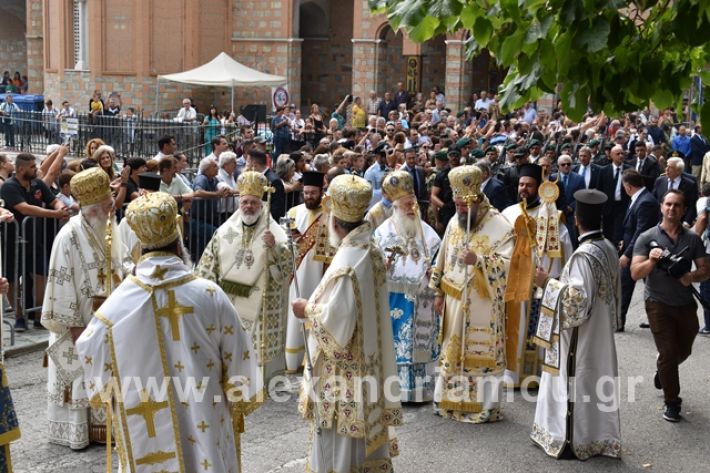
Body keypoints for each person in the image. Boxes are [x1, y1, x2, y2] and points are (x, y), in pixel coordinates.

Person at [76, 192, 263, 472]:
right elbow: (239, 359)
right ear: (179, 242)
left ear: (140, 246)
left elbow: (88, 349)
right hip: (205, 413)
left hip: (144, 417)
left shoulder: (116, 305)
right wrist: (238, 392)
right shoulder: (209, 294)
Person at [291, 174, 401, 472]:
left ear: (336, 223)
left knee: (340, 446)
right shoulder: (371, 248)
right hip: (370, 365)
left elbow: (337, 327)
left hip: (344, 376)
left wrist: (307, 309)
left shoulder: (347, 261)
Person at [531, 189, 622, 460]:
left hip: (581, 336)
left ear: (576, 220)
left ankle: (572, 440)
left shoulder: (584, 255)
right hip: (600, 331)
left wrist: (547, 282)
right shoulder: (607, 247)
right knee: (595, 381)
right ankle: (594, 437)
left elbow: (577, 304)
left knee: (578, 383)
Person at [40, 168, 124, 449]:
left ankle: (105, 428)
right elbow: (60, 284)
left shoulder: (108, 228)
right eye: (107, 206)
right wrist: (76, 327)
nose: (112, 209)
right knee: (78, 377)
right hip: (79, 323)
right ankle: (79, 433)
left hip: (106, 320)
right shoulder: (68, 236)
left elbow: (117, 267)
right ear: (92, 209)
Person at [429, 165, 514, 422]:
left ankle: (484, 407)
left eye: (465, 205)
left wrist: (478, 260)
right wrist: (437, 293)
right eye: (457, 205)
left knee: (481, 355)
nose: (461, 211)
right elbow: (443, 256)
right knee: (452, 352)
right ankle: (450, 403)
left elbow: (509, 268)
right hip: (454, 301)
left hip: (483, 304)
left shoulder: (499, 225)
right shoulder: (455, 222)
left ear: (477, 199)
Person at [197, 171, 292, 378]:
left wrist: (274, 248)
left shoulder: (275, 233)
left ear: (262, 205)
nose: (249, 206)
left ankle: (262, 377)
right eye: (245, 202)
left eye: (254, 203)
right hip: (230, 299)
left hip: (262, 302)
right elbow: (208, 264)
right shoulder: (223, 233)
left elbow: (287, 268)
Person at [631, 189, 709, 422]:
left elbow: (706, 270)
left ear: (684, 210)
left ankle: (663, 370)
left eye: (677, 205)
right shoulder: (647, 237)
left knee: (682, 350)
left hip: (685, 303)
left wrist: (690, 277)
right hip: (657, 303)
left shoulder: (692, 239)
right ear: (661, 207)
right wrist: (652, 261)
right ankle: (672, 402)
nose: (672, 209)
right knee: (668, 352)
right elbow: (635, 273)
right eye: (668, 204)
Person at [502, 163, 573, 387]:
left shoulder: (552, 216)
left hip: (538, 283)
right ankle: (511, 373)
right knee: (513, 326)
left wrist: (555, 277)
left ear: (539, 188)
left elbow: (564, 247)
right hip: (512, 281)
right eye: (521, 184)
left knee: (535, 327)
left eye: (529, 185)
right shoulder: (508, 213)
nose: (524, 189)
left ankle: (536, 376)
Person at [374, 171, 441, 402]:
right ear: (395, 207)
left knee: (418, 343)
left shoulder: (429, 234)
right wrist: (381, 266)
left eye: (413, 204)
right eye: (406, 205)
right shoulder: (382, 233)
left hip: (422, 299)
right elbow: (372, 267)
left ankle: (421, 392)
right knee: (395, 345)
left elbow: (438, 263)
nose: (411, 209)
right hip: (393, 299)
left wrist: (435, 272)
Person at [1, 153, 69, 331]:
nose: (36, 169)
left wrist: (60, 208)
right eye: (32, 167)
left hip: (36, 239)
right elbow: (24, 208)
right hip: (12, 240)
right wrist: (54, 214)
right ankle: (19, 316)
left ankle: (39, 315)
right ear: (21, 169)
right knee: (13, 279)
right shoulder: (9, 186)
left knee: (41, 275)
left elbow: (53, 200)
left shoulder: (37, 184)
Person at [283, 171, 335, 372]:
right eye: (306, 193)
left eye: (313, 193)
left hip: (319, 272)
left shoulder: (329, 214)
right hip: (297, 272)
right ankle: (293, 359)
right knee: (295, 312)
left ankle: (312, 356)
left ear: (321, 192)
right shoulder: (294, 213)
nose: (309, 197)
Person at [618, 169, 659, 331]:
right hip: (634, 249)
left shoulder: (645, 202)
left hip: (640, 253)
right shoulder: (638, 198)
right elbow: (632, 226)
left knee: (627, 287)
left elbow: (640, 231)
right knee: (648, 287)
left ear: (628, 187)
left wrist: (627, 254)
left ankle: (619, 321)